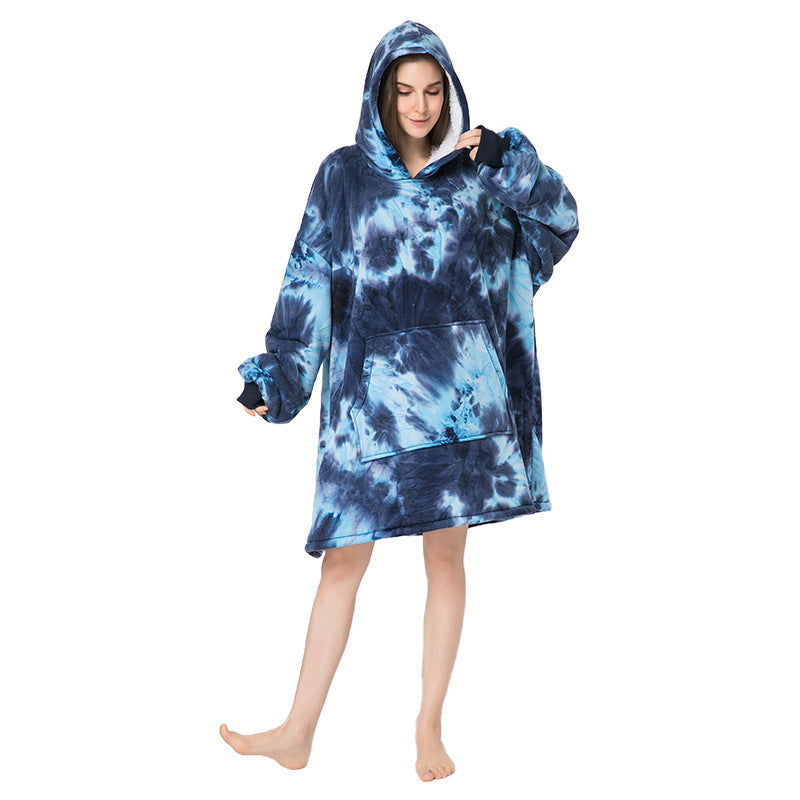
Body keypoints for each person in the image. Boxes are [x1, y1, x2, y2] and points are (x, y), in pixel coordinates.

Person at [220, 20, 579, 780]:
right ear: (380, 95)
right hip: (368, 415)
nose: (419, 106)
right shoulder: (343, 177)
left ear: (450, 93)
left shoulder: (478, 173)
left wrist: (508, 159)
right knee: (340, 564)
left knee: (445, 560)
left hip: (459, 413)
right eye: (405, 91)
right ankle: (297, 730)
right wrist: (277, 378)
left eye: (433, 91)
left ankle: (428, 728)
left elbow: (559, 221)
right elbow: (309, 282)